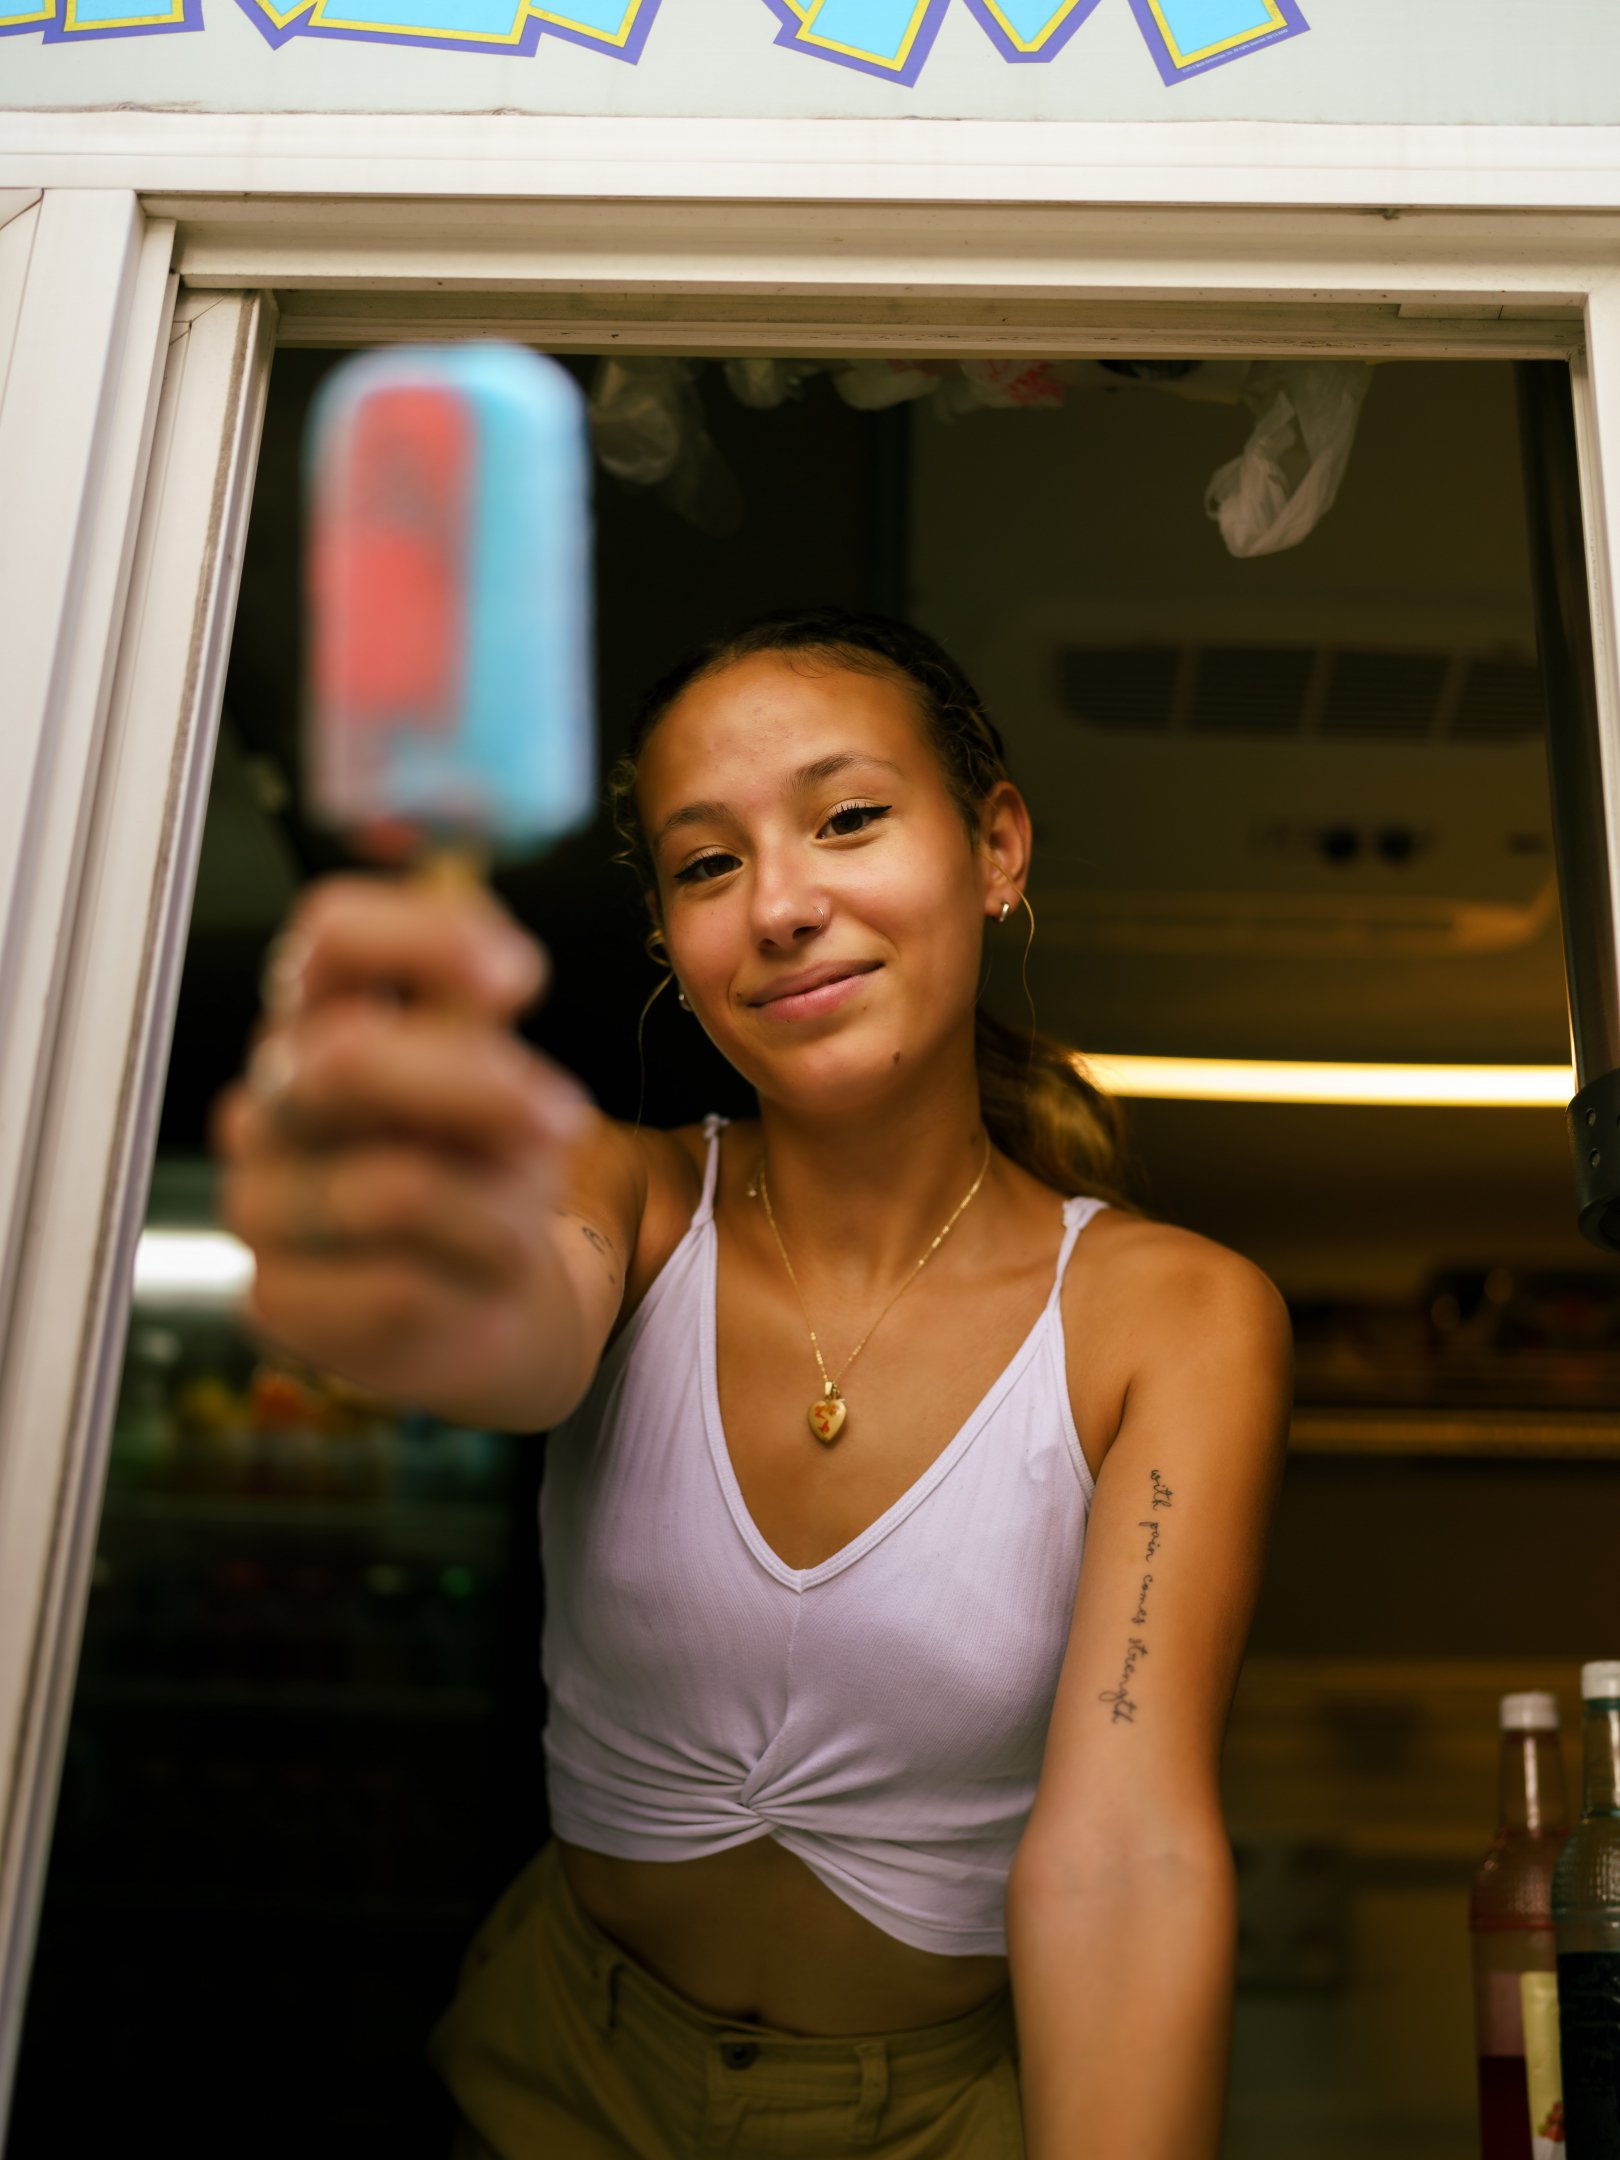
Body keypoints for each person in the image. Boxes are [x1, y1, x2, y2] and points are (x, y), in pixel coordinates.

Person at [213, 607, 1293, 2159]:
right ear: (670, 936)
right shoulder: (629, 1189)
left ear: (996, 849)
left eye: (848, 819)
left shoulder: (1172, 1317)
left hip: (946, 2120)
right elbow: (524, 1337)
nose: (781, 906)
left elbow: (1128, 1848)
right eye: (709, 863)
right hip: (559, 2081)